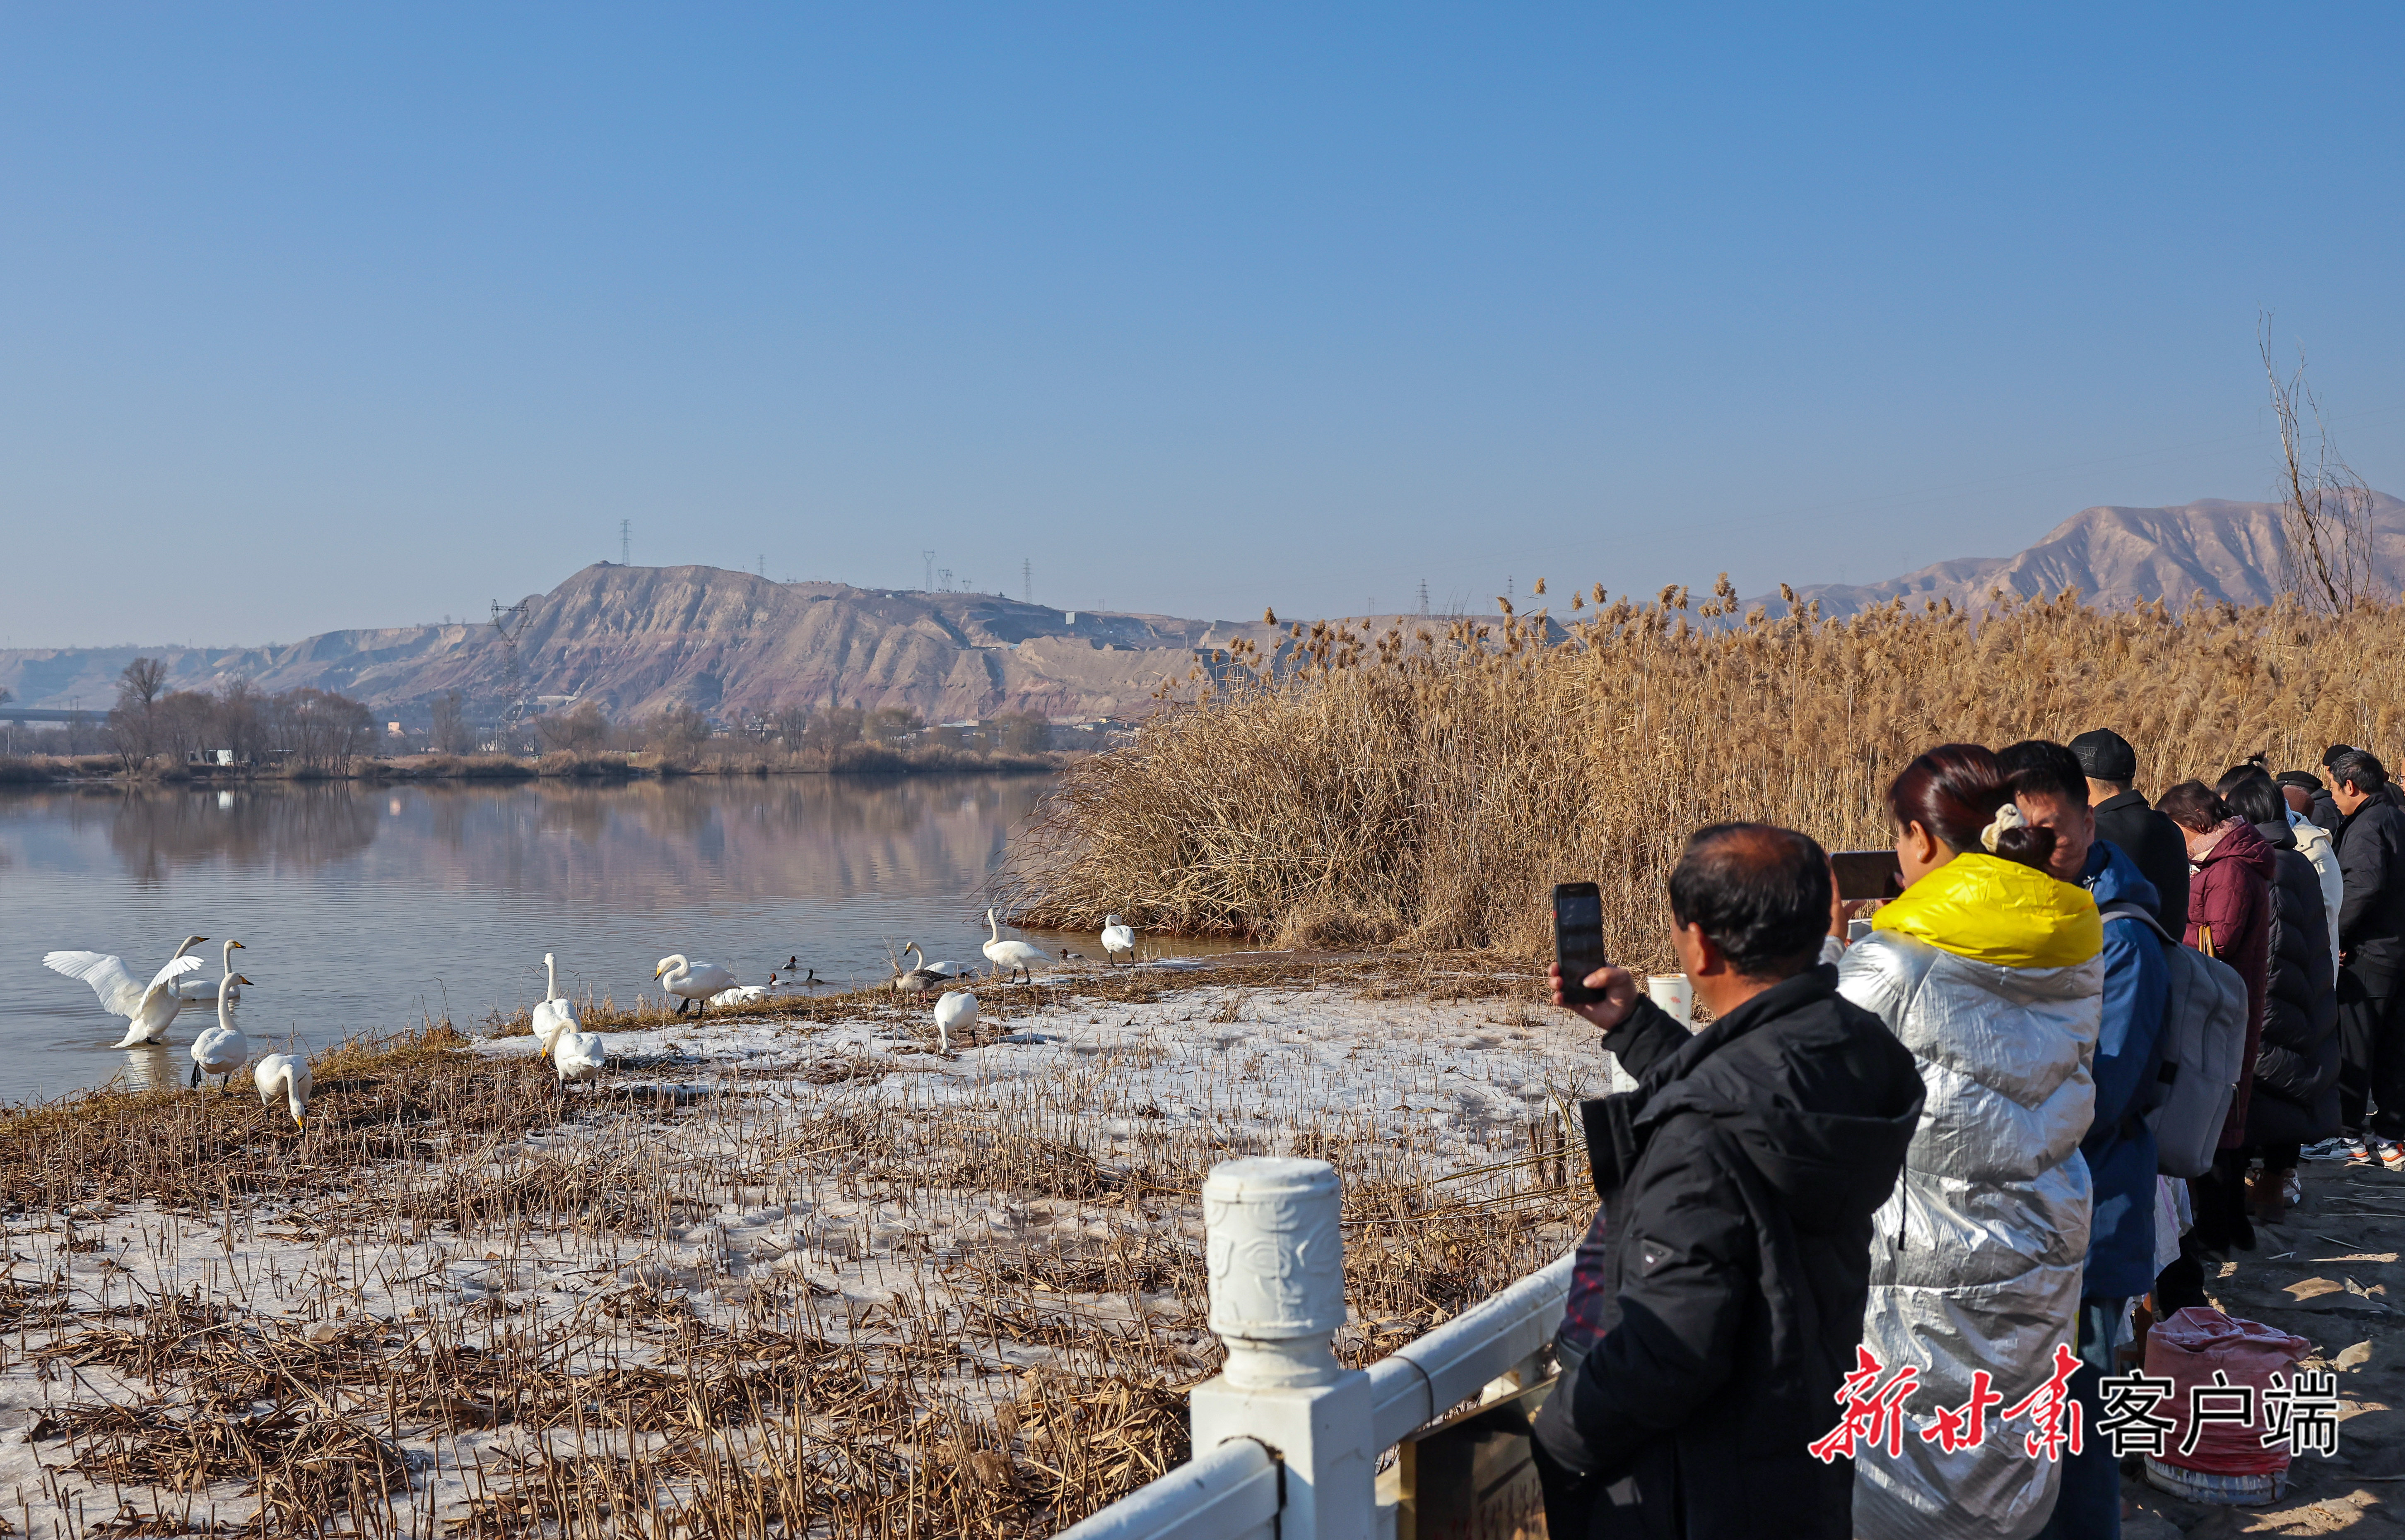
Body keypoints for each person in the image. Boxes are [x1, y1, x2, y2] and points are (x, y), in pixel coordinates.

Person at [1535, 824, 1924, 1540]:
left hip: (1700, 1486)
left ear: (1700, 946)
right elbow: (1762, 1100)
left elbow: (1668, 1349)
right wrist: (1638, 1029)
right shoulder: (1855, 1049)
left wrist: (1558, 1435)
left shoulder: (1702, 1134)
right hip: (1796, 1448)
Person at [1836, 744, 2102, 1540]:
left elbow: (1805, 1064)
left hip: (1931, 1264)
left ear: (1919, 839)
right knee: (2010, 1448)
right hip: (2043, 1233)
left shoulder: (1894, 956)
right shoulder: (2070, 933)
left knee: (1919, 1477)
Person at [1999, 740, 2168, 1540]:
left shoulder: (2122, 933)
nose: (2039, 852)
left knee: (2080, 1423)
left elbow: (2103, 1097)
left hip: (2093, 1211)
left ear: (2088, 818)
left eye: (2053, 833)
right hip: (2033, 1216)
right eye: (2019, 835)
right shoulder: (2020, 913)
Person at [2152, 781, 2276, 1307]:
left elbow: (2216, 941)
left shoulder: (2226, 870)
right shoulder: (2228, 861)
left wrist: (2161, 932)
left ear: (2196, 824)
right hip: (2228, 998)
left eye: (2177, 832)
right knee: (2224, 1109)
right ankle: (2226, 1225)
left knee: (2218, 1110)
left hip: (2221, 1000)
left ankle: (2218, 1227)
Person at [2215, 769, 2339, 1210]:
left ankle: (2264, 1190)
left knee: (2262, 1095)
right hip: (2301, 991)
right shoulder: (2296, 859)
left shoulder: (2266, 866)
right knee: (2286, 1093)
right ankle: (2276, 1181)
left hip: (2272, 995)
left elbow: (2271, 943)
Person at [2331, 748, 2405, 1163]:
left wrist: (2338, 934)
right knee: (2394, 1048)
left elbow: (2363, 886)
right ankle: (2390, 1134)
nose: (2334, 798)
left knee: (2356, 1045)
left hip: (2371, 952)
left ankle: (2349, 1136)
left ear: (2351, 786)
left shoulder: (2368, 825)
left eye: (2335, 789)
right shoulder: (2397, 816)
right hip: (2397, 949)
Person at [2069, 727, 2188, 927]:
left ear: (2083, 787)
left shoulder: (2091, 835)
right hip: (2170, 955)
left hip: (2114, 956)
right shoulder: (2171, 829)